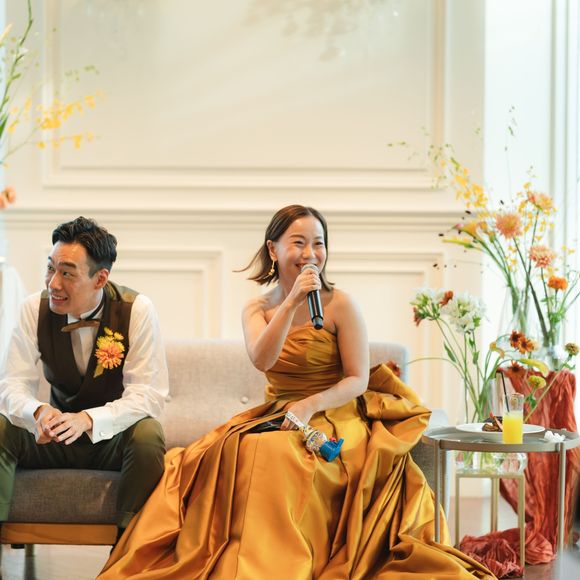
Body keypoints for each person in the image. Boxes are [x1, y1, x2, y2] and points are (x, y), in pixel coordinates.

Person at [99, 205, 493, 578]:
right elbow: (263, 359)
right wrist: (290, 302)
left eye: (318, 243)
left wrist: (310, 405)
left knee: (283, 456)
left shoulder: (341, 305)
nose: (310, 254)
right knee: (231, 452)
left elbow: (356, 379)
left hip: (335, 410)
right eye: (299, 243)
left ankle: (282, 567)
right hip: (278, 411)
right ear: (274, 250)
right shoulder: (257, 308)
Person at [0, 216, 168, 542]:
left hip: (111, 440)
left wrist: (89, 420)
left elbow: (149, 394)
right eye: (50, 269)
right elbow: (11, 384)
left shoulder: (136, 309)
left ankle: (129, 549)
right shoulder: (33, 308)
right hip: (52, 440)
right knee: (1, 426)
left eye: (67, 273)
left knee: (148, 434)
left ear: (100, 278)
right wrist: (37, 412)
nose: (53, 283)